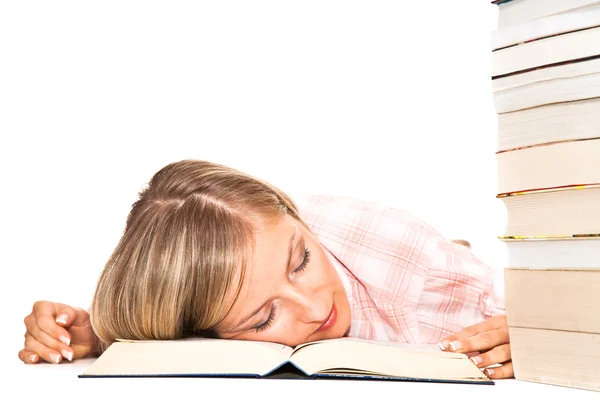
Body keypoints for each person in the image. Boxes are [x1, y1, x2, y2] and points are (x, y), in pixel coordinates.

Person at [18, 159, 512, 378]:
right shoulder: (203, 312)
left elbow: (532, 317)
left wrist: (540, 336)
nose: (316, 306)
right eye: (262, 319)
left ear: (295, 217)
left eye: (301, 261)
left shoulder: (393, 247)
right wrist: (98, 338)